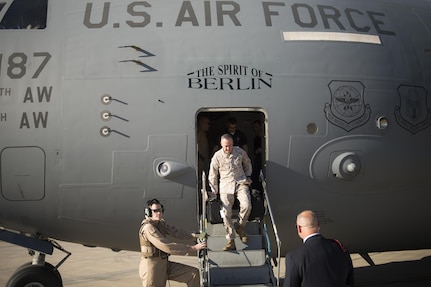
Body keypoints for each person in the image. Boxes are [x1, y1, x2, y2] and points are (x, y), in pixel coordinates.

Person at [138, 199, 207, 287]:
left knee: (193, 274)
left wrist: (194, 235)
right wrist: (193, 248)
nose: (159, 213)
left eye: (160, 210)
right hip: (152, 267)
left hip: (164, 264)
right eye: (155, 211)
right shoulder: (148, 228)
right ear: (148, 212)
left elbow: (176, 231)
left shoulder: (160, 224)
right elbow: (166, 246)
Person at [283, 210, 354, 287]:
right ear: (318, 225)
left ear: (299, 228)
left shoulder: (294, 257)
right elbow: (350, 281)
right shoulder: (339, 247)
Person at [208, 134, 253, 251]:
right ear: (222, 145)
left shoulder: (239, 152)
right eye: (226, 146)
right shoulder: (217, 156)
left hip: (240, 182)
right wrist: (214, 189)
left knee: (247, 205)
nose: (228, 148)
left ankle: (240, 226)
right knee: (226, 213)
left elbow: (247, 163)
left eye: (230, 146)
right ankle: (231, 239)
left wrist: (248, 175)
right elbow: (213, 173)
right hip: (226, 186)